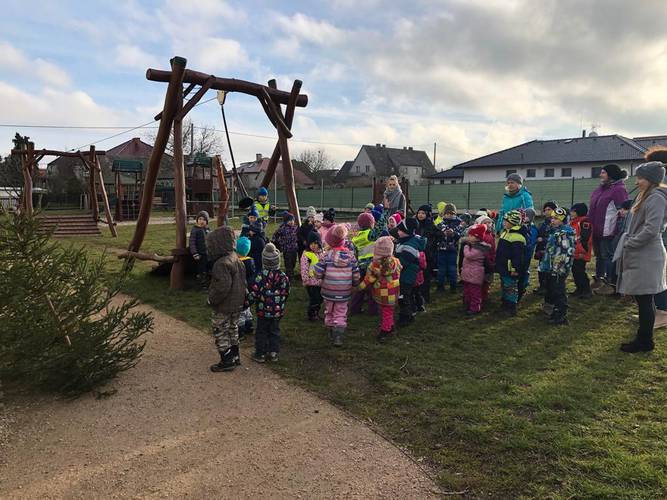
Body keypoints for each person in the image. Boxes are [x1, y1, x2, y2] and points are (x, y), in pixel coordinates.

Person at [616, 159, 667, 353]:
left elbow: (652, 229)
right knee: (643, 298)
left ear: (651, 179)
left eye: (641, 178)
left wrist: (631, 243)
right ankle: (644, 338)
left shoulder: (656, 198)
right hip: (641, 253)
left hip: (647, 254)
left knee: (645, 298)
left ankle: (645, 341)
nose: (637, 182)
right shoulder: (646, 195)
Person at [206, 226, 247, 372]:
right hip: (237, 303)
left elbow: (222, 287)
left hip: (224, 305)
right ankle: (235, 356)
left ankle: (227, 359)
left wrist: (211, 299)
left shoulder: (221, 264)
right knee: (232, 328)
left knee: (220, 330)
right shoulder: (237, 259)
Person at [313, 224, 361, 347]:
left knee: (329, 310)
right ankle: (338, 335)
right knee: (340, 312)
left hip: (328, 290)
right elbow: (356, 274)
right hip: (344, 291)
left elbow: (317, 273)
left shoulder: (326, 256)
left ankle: (330, 328)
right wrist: (355, 284)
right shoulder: (351, 257)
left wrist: (318, 275)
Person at [588, 164, 628, 290]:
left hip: (608, 230)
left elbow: (623, 211)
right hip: (596, 229)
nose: (600, 175)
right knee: (599, 256)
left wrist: (617, 229)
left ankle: (610, 283)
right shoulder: (600, 189)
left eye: (603, 172)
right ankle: (599, 279)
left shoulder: (619, 190)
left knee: (608, 256)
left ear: (610, 174)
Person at [249, 243, 290, 363]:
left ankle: (260, 354)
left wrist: (247, 302)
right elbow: (286, 292)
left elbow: (254, 292)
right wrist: (281, 303)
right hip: (277, 311)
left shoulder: (260, 276)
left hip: (263, 311)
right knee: (274, 331)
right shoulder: (283, 277)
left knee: (261, 331)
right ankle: (273, 353)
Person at [358, 236, 402, 342]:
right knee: (389, 310)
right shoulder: (396, 261)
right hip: (393, 291)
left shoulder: (375, 265)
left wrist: (359, 287)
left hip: (381, 293)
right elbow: (400, 270)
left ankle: (385, 331)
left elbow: (369, 279)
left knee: (385, 312)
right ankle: (390, 326)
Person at [542, 208, 576, 325]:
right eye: (552, 218)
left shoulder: (564, 234)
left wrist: (557, 268)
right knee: (552, 288)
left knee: (558, 290)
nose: (553, 220)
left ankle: (560, 314)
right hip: (552, 266)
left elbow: (565, 252)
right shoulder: (555, 232)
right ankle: (552, 308)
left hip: (558, 269)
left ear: (563, 220)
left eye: (556, 218)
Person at [392, 218, 422, 326]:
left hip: (407, 275)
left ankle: (405, 317)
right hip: (406, 274)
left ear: (407, 231)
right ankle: (411, 312)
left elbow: (403, 262)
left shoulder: (410, 245)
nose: (398, 231)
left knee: (404, 296)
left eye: (400, 230)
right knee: (408, 294)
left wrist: (393, 263)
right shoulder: (406, 240)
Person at [495, 210, 526, 316]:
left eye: (506, 221)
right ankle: (505, 303)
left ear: (513, 222)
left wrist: (515, 269)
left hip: (510, 268)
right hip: (503, 266)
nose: (503, 222)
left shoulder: (517, 237)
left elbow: (518, 256)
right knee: (505, 285)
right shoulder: (505, 233)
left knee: (511, 287)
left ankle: (511, 307)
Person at [350, 212, 381, 315]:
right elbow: (380, 228)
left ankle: (355, 308)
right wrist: (385, 211)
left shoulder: (355, 237)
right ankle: (373, 310)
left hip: (360, 266)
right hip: (371, 266)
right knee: (373, 288)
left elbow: (355, 254)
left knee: (360, 288)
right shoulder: (370, 234)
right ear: (371, 223)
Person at [461, 224, 491, 315]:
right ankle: (468, 304)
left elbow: (469, 255)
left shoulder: (479, 249)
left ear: (477, 237)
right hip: (469, 273)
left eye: (471, 236)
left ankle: (475, 308)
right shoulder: (473, 246)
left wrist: (466, 247)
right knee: (467, 290)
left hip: (475, 274)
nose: (469, 237)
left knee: (475, 292)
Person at [436, 203, 462, 293]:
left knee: (452, 268)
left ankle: (453, 286)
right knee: (441, 268)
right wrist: (442, 232)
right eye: (447, 213)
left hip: (453, 250)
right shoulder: (441, 223)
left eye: (451, 214)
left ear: (455, 214)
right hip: (441, 249)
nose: (449, 215)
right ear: (444, 214)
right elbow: (437, 233)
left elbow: (459, 235)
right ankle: (440, 286)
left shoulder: (458, 224)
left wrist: (453, 233)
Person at [569, 203, 593, 298]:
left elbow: (585, 238)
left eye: (573, 211)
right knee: (575, 271)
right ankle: (579, 289)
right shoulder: (574, 222)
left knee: (580, 271)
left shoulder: (584, 222)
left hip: (581, 252)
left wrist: (582, 250)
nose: (571, 213)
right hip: (574, 251)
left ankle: (586, 290)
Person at [415, 204, 438, 304]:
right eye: (419, 213)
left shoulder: (431, 226)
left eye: (423, 213)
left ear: (427, 215)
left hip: (427, 255)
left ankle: (425, 297)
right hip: (416, 253)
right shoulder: (415, 224)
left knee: (425, 276)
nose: (420, 215)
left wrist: (431, 244)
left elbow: (439, 235)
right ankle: (417, 297)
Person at [534, 201, 557, 294]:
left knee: (548, 270)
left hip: (550, 250)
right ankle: (542, 286)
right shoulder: (544, 223)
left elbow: (555, 238)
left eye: (549, 209)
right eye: (545, 210)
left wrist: (543, 239)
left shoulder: (555, 223)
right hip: (541, 250)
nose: (547, 212)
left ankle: (548, 287)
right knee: (541, 269)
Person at [235, 236, 256, 340]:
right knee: (247, 309)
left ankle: (241, 332)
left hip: (240, 291)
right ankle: (249, 326)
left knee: (240, 312)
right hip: (250, 291)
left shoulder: (237, 263)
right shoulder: (251, 261)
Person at [301, 231, 324, 321]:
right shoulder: (306, 255)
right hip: (311, 282)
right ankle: (311, 314)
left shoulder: (322, 253)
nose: (313, 246)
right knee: (314, 299)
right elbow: (304, 268)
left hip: (320, 282)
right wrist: (305, 280)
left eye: (315, 243)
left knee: (320, 299)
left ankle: (316, 312)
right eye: (311, 244)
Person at [271, 212, 299, 282]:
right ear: (286, 221)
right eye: (290, 220)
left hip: (294, 248)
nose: (291, 222)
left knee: (293, 262)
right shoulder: (282, 228)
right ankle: (290, 277)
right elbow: (275, 235)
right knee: (288, 263)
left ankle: (290, 273)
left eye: (292, 220)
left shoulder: (295, 228)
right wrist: (277, 242)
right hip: (286, 249)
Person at [518, 208, 538, 302]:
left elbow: (530, 243)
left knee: (524, 269)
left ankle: (523, 284)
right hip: (522, 252)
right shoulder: (522, 226)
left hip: (527, 253)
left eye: (525, 216)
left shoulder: (532, 229)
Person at [475, 214, 496, 304]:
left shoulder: (491, 234)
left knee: (487, 281)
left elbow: (493, 249)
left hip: (490, 260)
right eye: (485, 223)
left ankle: (484, 296)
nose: (488, 224)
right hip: (482, 262)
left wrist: (493, 258)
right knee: (480, 281)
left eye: (489, 222)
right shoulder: (480, 236)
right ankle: (479, 297)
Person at [189, 210, 210, 290]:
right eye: (200, 219)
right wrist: (195, 253)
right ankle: (201, 284)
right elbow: (192, 242)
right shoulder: (195, 229)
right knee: (201, 269)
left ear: (207, 221)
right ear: (197, 220)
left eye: (204, 220)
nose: (202, 221)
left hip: (207, 253)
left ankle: (207, 282)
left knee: (207, 268)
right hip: (199, 254)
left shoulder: (207, 229)